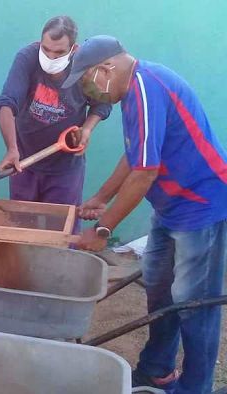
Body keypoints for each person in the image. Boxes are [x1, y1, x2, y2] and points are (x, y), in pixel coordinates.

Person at [64, 35, 227, 394]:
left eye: (87, 82)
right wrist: (101, 196)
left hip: (200, 206)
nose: (89, 92)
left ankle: (196, 387)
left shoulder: (145, 87)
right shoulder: (132, 93)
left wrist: (103, 230)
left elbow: (144, 173)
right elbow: (135, 154)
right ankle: (157, 370)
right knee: (159, 288)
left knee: (193, 302)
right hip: (170, 207)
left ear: (106, 68)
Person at [0, 16, 111, 231]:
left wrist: (87, 129)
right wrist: (12, 148)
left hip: (65, 168)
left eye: (58, 53)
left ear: (73, 49)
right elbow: (6, 103)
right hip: (24, 163)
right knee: (21, 227)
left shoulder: (85, 68)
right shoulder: (27, 58)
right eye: (46, 49)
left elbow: (102, 105)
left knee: (61, 231)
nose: (50, 57)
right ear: (40, 43)